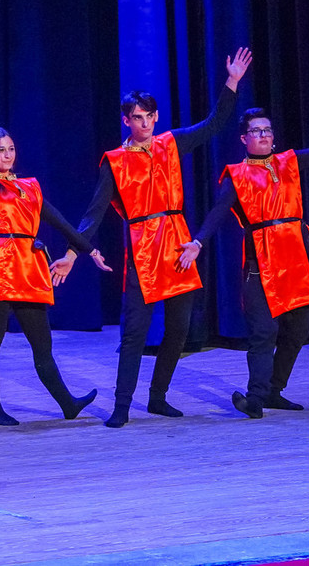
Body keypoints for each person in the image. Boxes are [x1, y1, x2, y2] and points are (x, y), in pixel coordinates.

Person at [75, 48, 253, 428]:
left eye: (149, 116)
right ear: (126, 120)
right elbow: (94, 212)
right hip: (143, 248)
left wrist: (232, 81)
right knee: (134, 333)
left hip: (176, 244)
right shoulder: (115, 161)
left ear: (156, 117)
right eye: (136, 118)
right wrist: (76, 252)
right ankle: (122, 406)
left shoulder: (170, 143)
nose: (144, 123)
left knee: (179, 329)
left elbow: (213, 124)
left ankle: (158, 396)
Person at [183, 96, 309, 419]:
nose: (263, 135)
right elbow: (219, 212)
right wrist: (198, 241)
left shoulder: (288, 162)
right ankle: (255, 398)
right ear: (244, 138)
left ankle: (274, 390)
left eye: (267, 130)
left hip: (295, 263)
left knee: (298, 331)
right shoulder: (237, 175)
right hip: (260, 266)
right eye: (256, 131)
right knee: (263, 332)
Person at [0, 61, 111, 426]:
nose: (8, 154)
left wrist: (89, 251)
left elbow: (60, 223)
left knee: (43, 344)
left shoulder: (30, 187)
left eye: (11, 148)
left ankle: (67, 403)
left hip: (29, 268)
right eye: (0, 149)